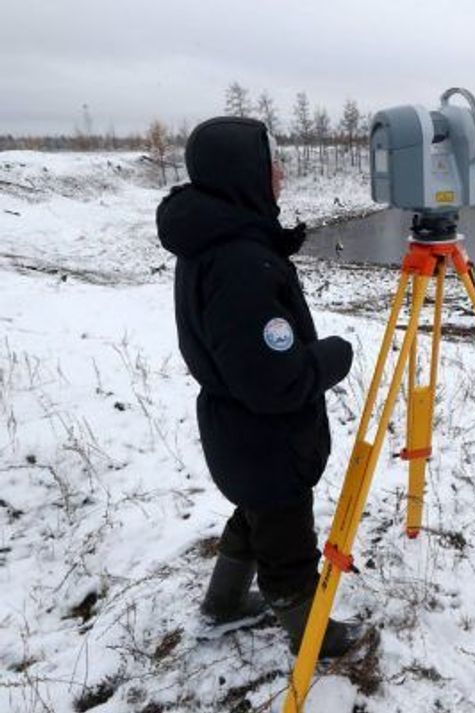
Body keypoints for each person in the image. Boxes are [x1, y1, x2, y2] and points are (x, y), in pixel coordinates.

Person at [157, 116, 359, 657]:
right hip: (267, 438)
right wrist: (331, 358)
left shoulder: (215, 239)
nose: (282, 177)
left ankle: (222, 604)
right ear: (245, 174)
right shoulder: (241, 261)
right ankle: (311, 634)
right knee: (286, 540)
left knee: (254, 513)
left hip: (237, 433)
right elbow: (274, 380)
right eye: (273, 166)